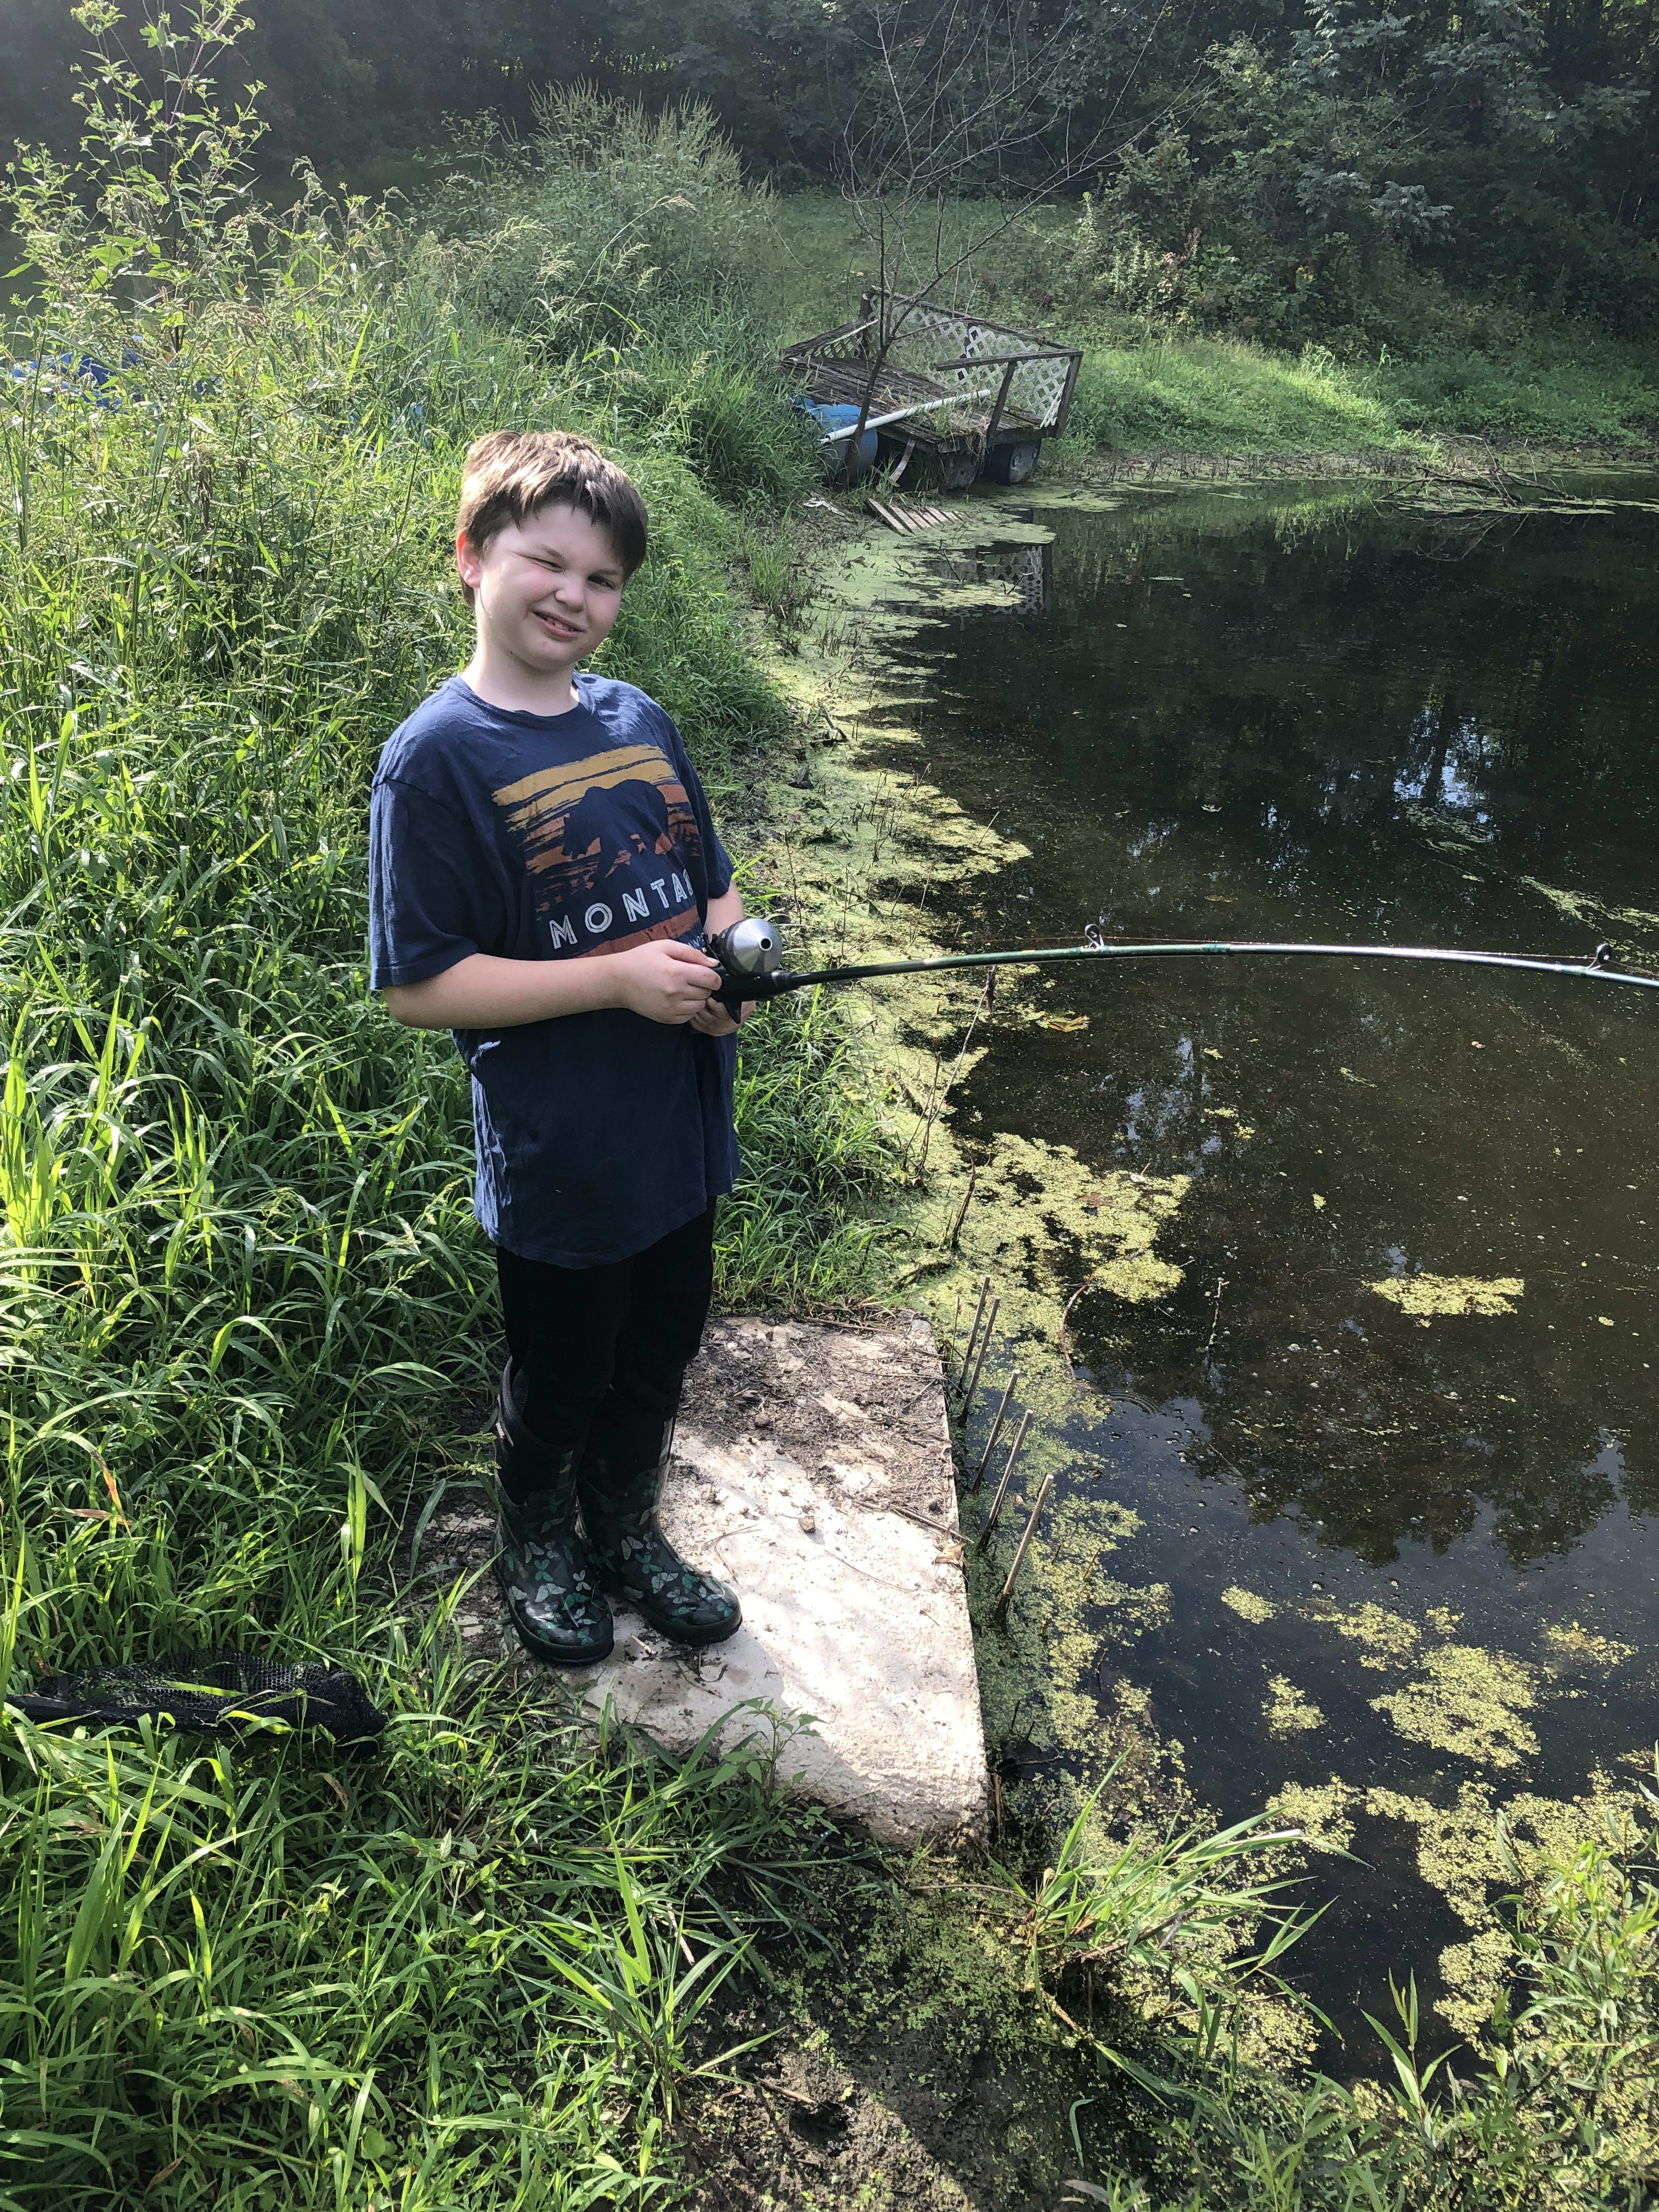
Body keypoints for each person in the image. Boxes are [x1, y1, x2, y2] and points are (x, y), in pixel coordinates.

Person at [368, 428, 751, 1666]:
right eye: (549, 564)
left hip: (682, 1129)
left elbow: (715, 893)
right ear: (473, 559)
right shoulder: (437, 760)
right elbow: (422, 987)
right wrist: (617, 982)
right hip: (563, 1153)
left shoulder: (639, 717)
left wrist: (740, 964)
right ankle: (536, 1541)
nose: (575, 598)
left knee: (661, 1349)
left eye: (602, 581)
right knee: (566, 1368)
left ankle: (626, 1530)